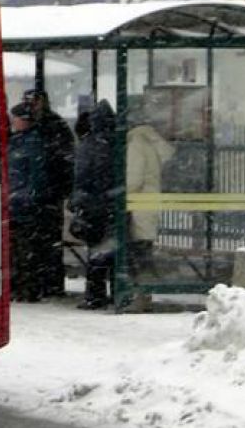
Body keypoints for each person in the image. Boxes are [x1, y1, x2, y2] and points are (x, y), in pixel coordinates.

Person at [23, 89, 75, 298]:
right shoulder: (52, 125)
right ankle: (48, 282)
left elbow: (63, 157)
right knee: (45, 240)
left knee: (47, 239)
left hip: (49, 192)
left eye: (33, 102)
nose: (31, 106)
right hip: (47, 192)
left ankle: (49, 283)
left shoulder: (49, 126)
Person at [68, 100, 117, 309]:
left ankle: (94, 295)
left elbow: (81, 177)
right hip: (115, 204)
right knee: (114, 251)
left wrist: (77, 201)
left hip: (93, 206)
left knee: (96, 252)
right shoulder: (118, 142)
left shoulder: (88, 145)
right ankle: (117, 292)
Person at [126, 98, 174, 296]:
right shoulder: (151, 141)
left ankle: (141, 292)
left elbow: (133, 179)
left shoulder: (136, 142)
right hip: (149, 203)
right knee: (144, 248)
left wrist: (120, 191)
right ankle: (144, 290)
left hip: (137, 205)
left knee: (138, 251)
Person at [8, 101, 47, 302]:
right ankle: (22, 287)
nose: (12, 120)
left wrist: (25, 197)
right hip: (17, 203)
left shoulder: (31, 143)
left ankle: (27, 288)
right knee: (20, 249)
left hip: (22, 205)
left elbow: (36, 176)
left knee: (24, 249)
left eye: (15, 117)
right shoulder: (19, 141)